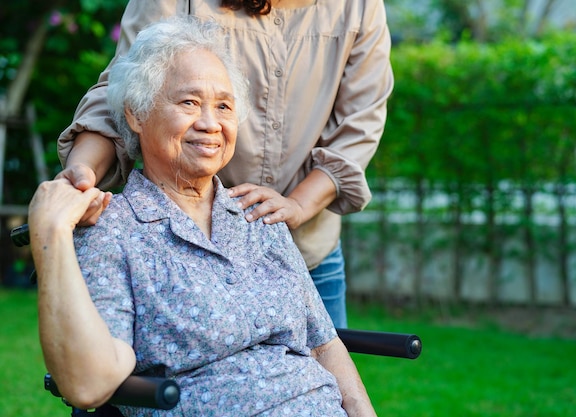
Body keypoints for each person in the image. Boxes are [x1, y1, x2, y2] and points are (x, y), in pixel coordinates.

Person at [29, 17, 376, 416]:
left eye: (224, 106)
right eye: (189, 102)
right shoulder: (114, 231)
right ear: (136, 114)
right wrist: (53, 234)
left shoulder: (258, 217)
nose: (211, 124)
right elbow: (88, 386)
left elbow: (323, 344)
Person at [56, 0, 394, 329]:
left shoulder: (359, 6)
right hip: (186, 255)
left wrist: (299, 204)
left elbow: (360, 124)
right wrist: (82, 176)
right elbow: (126, 90)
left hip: (308, 249)